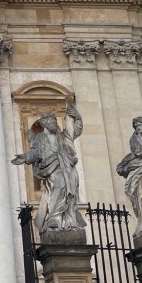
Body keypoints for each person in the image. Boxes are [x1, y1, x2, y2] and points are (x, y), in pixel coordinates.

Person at [12, 99, 86, 232]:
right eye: (51, 122)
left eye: (54, 122)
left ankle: (67, 219)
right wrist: (25, 157)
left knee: (69, 190)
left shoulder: (62, 137)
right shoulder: (40, 138)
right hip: (51, 168)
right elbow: (35, 153)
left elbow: (76, 130)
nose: (53, 124)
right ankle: (54, 217)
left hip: (66, 167)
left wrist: (77, 117)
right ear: (44, 124)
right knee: (59, 184)